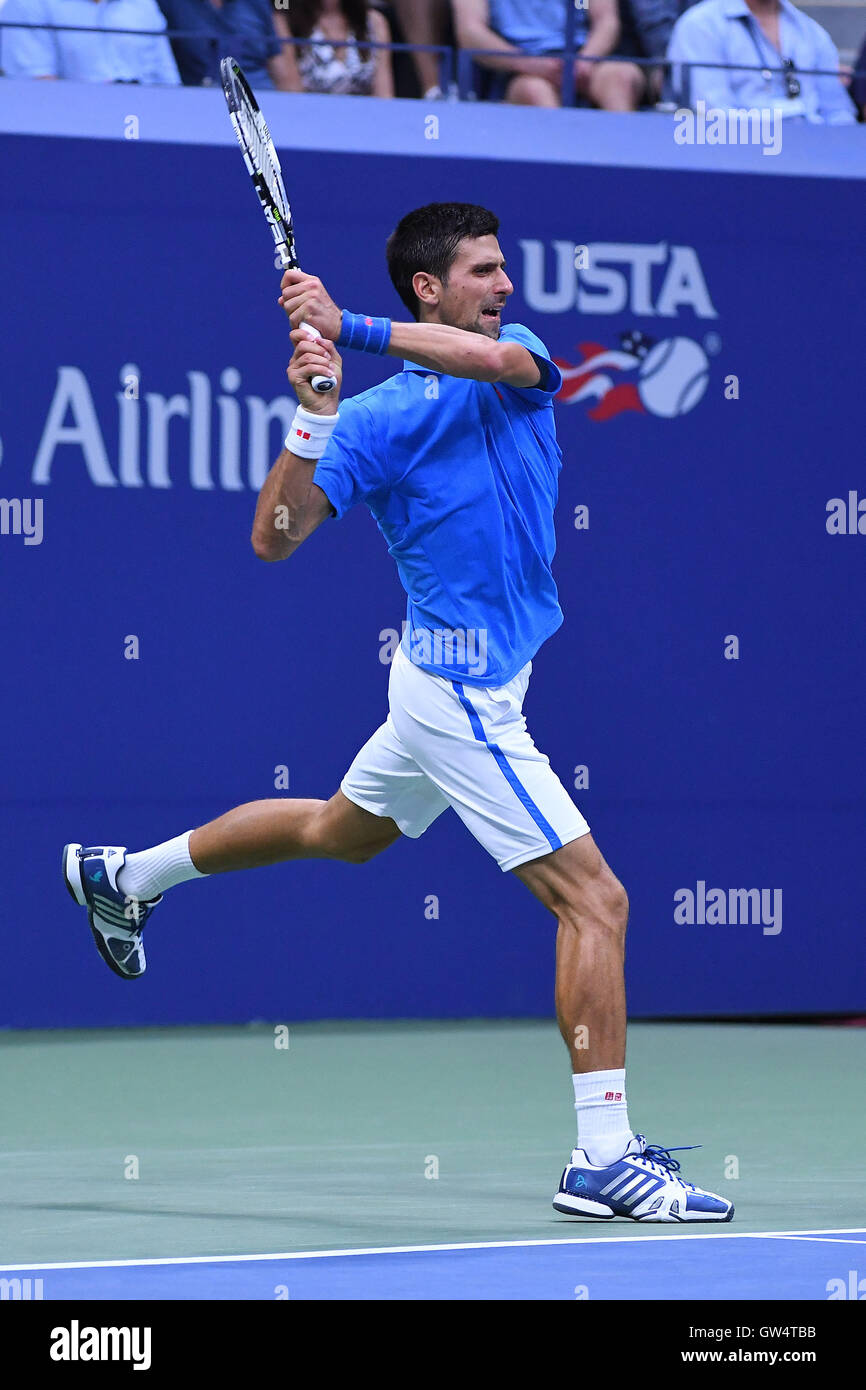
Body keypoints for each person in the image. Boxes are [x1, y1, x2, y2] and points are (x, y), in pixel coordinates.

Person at [63, 202, 734, 1224]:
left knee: (341, 830)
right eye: (481, 271)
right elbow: (274, 538)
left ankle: (125, 876)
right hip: (452, 694)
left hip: (484, 678)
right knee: (593, 901)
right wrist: (316, 411)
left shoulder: (515, 355)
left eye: (501, 269)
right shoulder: (372, 421)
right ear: (429, 285)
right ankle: (600, 1157)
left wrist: (351, 328)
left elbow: (502, 365)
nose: (504, 286)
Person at [667, 0, 856, 122]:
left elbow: (839, 112)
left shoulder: (812, 32)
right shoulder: (700, 25)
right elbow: (712, 115)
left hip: (814, 158)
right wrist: (797, 113)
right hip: (735, 162)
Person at [452, 0, 646, 113]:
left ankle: (627, 166)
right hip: (517, 68)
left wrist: (584, 61)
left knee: (622, 78)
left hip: (585, 59)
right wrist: (530, 64)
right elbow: (470, 33)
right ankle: (563, 171)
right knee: (535, 92)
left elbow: (607, 22)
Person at [1, 0, 180, 82]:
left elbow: (167, 81)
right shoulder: (27, 4)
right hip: (74, 136)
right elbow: (36, 92)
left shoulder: (142, 5)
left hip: (143, 128)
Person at [157, 0, 293, 89]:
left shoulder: (259, 4)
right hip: (202, 104)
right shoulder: (170, 4)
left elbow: (286, 76)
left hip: (263, 105)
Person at [271, 0, 394, 97]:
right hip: (309, 119)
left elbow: (384, 95)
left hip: (366, 120)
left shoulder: (375, 22)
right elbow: (291, 92)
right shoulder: (285, 20)